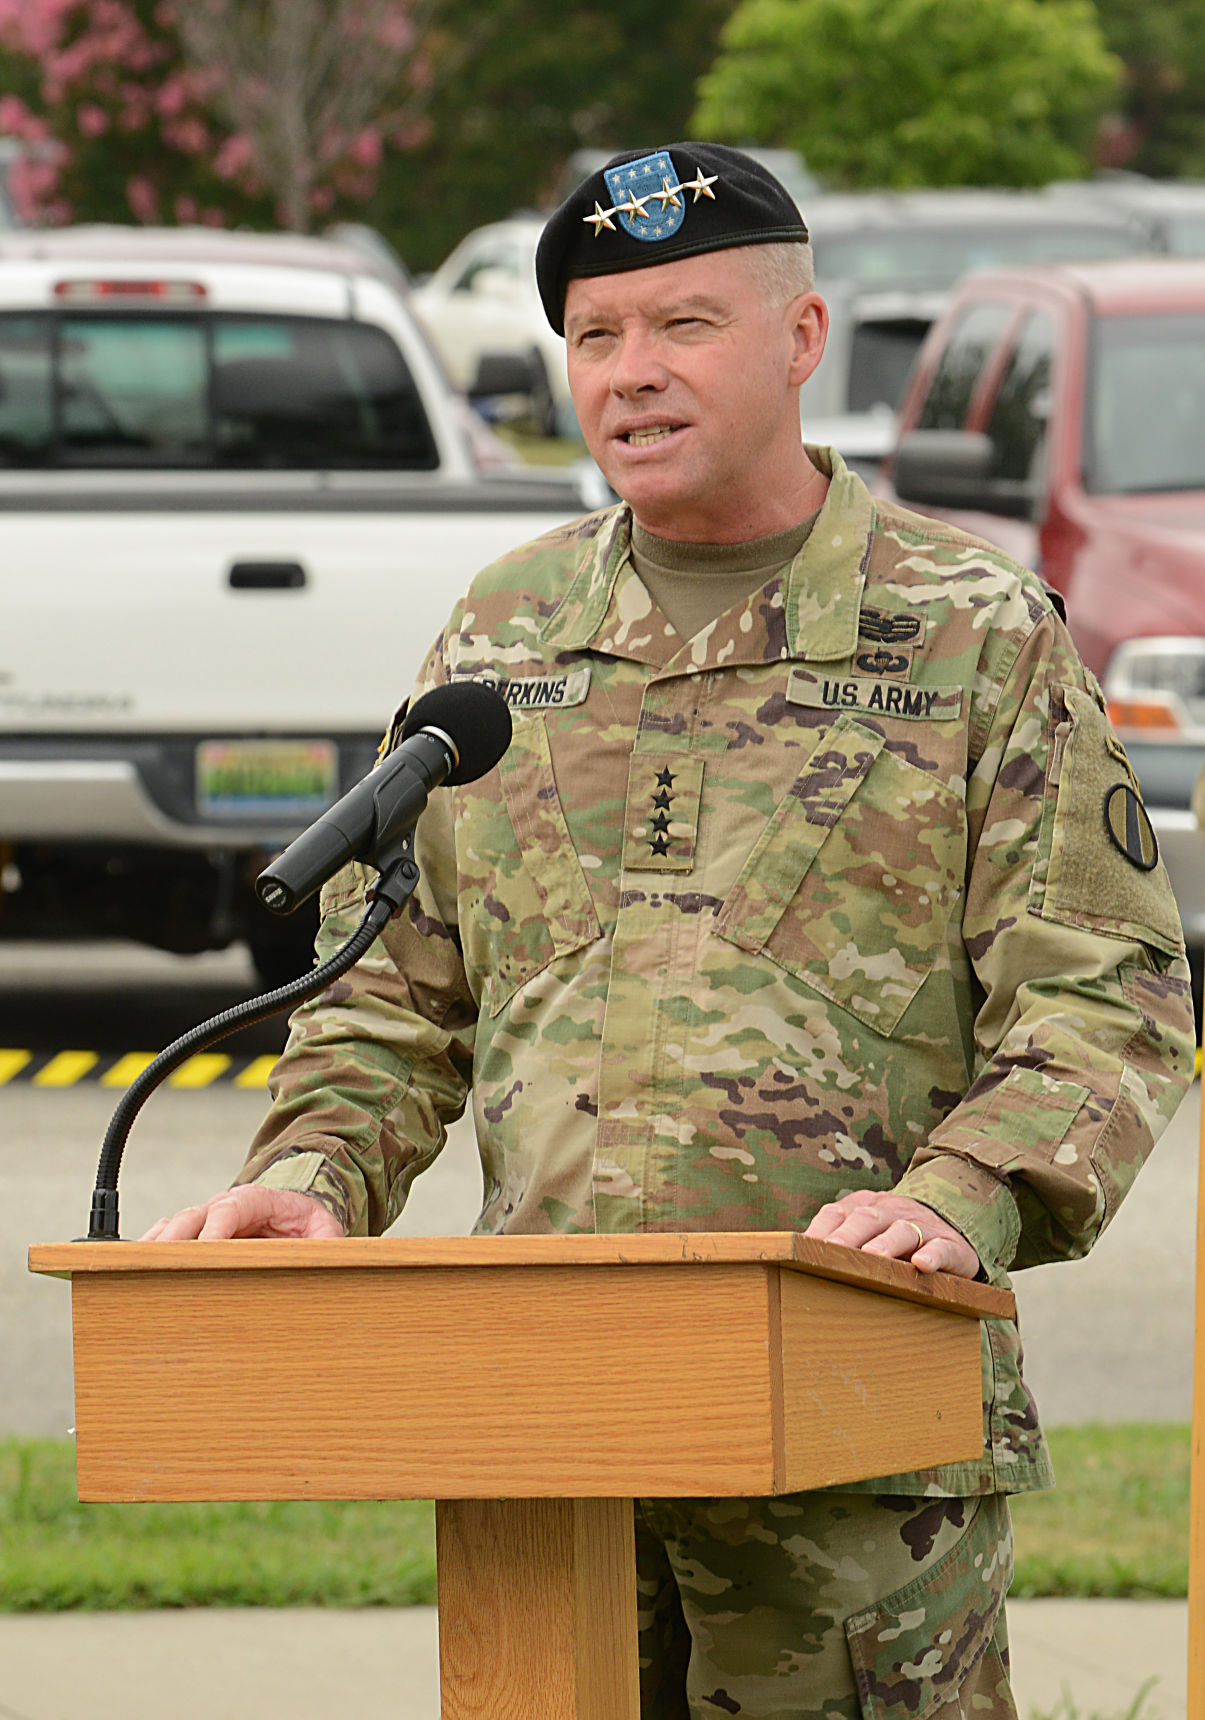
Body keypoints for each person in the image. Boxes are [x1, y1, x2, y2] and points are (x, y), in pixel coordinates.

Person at [146, 145, 1195, 1717]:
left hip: (857, 1452)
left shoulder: (974, 634)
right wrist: (309, 1176)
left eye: (683, 325)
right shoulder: (503, 637)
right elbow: (394, 996)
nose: (630, 375)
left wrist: (969, 1192)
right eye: (594, 338)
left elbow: (1106, 996)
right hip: (547, 1435)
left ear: (800, 336)